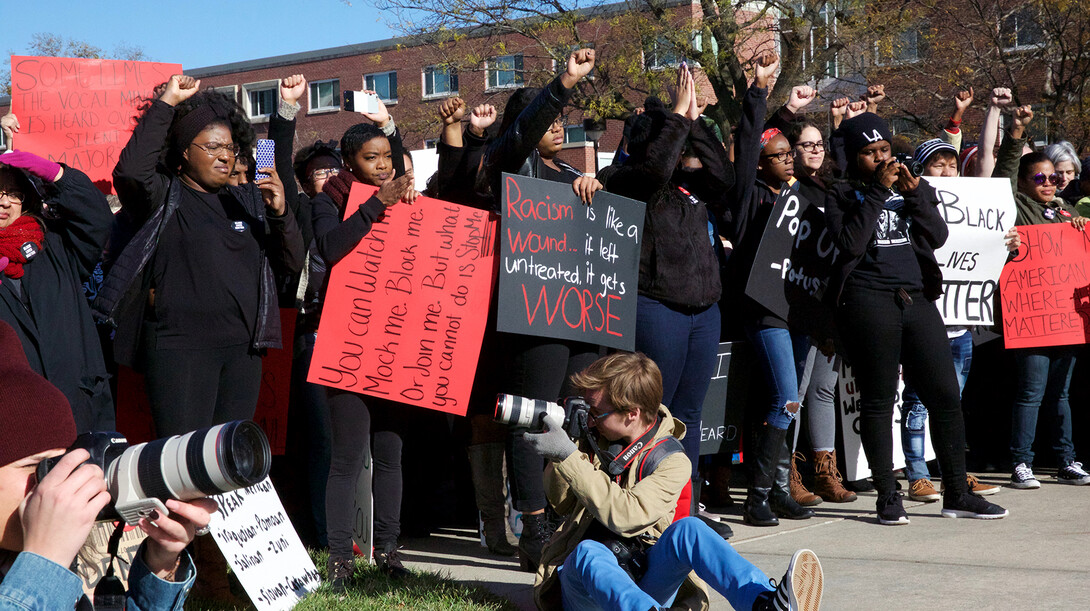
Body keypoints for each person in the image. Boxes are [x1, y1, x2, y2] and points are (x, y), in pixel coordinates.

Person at [525, 352, 824, 611]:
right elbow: (561, 502)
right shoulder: (594, 439)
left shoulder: (670, 460)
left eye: (596, 412)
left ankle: (763, 602)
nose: (589, 418)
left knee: (691, 529)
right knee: (590, 552)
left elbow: (627, 516)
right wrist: (567, 451)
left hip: (638, 573)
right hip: (582, 585)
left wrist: (568, 457)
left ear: (632, 414)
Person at [824, 109, 1009, 524]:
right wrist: (876, 193)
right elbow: (850, 245)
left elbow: (938, 236)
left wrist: (915, 195)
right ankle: (888, 497)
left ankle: (957, 492)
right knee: (878, 399)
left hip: (918, 299)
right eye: (870, 153)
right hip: (870, 301)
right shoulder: (840, 194)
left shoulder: (913, 185)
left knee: (945, 394)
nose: (881, 158)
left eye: (885, 149)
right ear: (855, 157)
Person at [93, 74, 305, 437]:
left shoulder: (248, 200)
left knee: (228, 460)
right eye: (211, 147)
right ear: (183, 152)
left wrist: (281, 214)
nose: (224, 156)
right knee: (185, 459)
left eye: (230, 148)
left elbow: (291, 264)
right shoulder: (163, 197)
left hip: (243, 351)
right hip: (180, 350)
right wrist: (168, 102)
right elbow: (130, 171)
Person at [476, 47, 603, 572]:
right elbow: (519, 139)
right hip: (533, 312)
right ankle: (531, 522)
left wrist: (592, 189)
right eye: (548, 118)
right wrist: (563, 83)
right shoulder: (509, 167)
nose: (558, 126)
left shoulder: (571, 172)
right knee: (535, 416)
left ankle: (567, 513)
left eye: (562, 119)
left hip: (580, 310)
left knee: (573, 416)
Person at [598, 62, 734, 539]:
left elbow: (724, 175)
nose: (679, 153)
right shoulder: (627, 178)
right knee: (654, 414)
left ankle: (685, 513)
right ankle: (646, 512)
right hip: (658, 308)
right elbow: (654, 168)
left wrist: (694, 121)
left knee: (691, 416)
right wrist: (676, 113)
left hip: (704, 312)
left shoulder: (692, 185)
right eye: (673, 138)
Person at [0, 319, 217, 611]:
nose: (56, 485)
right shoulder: (44, 561)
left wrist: (160, 563)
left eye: (64, 463)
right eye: (37, 467)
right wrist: (45, 562)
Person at [309, 96, 419, 586]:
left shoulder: (407, 200)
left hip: (395, 345)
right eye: (371, 159)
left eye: (388, 159)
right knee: (349, 459)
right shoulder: (326, 200)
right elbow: (332, 248)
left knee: (390, 456)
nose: (382, 167)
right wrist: (378, 205)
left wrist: (391, 127)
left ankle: (390, 551)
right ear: (349, 160)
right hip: (349, 346)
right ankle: (339, 557)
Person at [895, 138, 1011, 502]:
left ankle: (953, 476)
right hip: (924, 322)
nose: (946, 172)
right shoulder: (908, 207)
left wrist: (1006, 243)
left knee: (950, 406)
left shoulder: (971, 205)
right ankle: (916, 474)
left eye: (951, 165)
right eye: (937, 165)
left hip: (960, 327)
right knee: (916, 401)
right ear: (921, 170)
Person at [728, 54, 815, 527]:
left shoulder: (798, 195)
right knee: (785, 396)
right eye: (779, 155)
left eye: (790, 153)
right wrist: (758, 92)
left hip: (798, 309)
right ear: (760, 164)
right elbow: (747, 142)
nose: (789, 159)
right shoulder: (750, 196)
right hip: (764, 310)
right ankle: (757, 496)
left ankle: (781, 490)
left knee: (786, 400)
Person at [992, 106, 1090, 488]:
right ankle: (1022, 462)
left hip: (1064, 318)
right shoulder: (1015, 207)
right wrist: (1015, 136)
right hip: (1032, 321)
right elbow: (1000, 179)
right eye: (1040, 177)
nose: (1049, 183)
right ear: (1023, 181)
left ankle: (1066, 458)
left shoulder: (1065, 211)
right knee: (1031, 391)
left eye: (1053, 178)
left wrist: (1079, 228)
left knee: (1061, 393)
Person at [0, 150, 114, 433]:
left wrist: (58, 176)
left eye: (14, 193)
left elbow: (97, 219)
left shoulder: (56, 245)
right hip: (17, 416)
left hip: (79, 402)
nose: (4, 201)